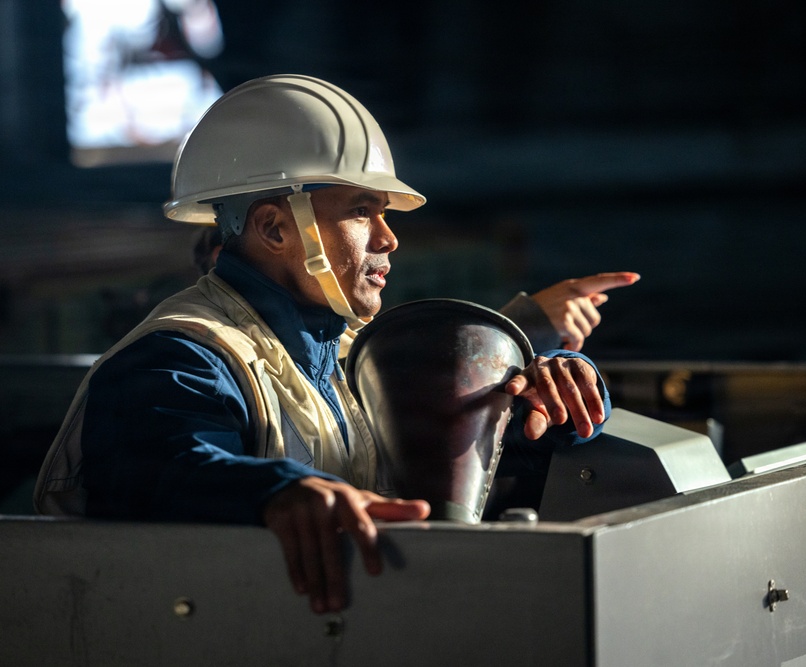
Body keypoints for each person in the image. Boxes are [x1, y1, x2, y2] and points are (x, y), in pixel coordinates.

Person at [35, 74, 611, 615]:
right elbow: (164, 467)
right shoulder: (179, 358)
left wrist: (552, 396)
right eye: (362, 211)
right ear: (275, 229)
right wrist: (277, 493)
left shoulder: (349, 351)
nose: (389, 238)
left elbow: (461, 433)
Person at [196, 225, 640, 353]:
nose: (389, 240)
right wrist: (520, 330)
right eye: (358, 213)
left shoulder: (337, 344)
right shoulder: (196, 354)